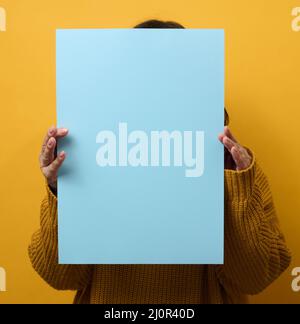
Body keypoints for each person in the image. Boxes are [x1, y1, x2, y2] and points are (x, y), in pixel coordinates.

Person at [29, 20, 291, 304]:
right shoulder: (89, 161)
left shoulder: (237, 169)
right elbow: (58, 276)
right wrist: (61, 189)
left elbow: (255, 278)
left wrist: (235, 183)